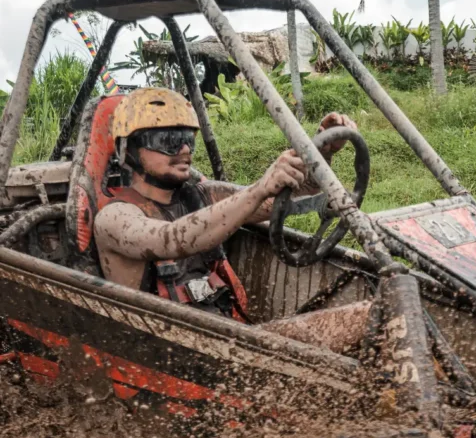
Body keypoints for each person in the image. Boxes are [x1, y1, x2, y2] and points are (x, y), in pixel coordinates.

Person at [94, 87, 356, 320]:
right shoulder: (115, 218)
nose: (184, 150)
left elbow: (288, 198)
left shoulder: (200, 196)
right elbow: (171, 239)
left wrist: (322, 150)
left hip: (227, 336)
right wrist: (259, 188)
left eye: (188, 140)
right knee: (364, 317)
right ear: (128, 149)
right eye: (169, 141)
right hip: (170, 353)